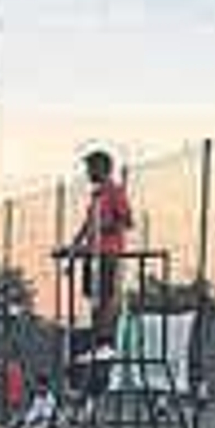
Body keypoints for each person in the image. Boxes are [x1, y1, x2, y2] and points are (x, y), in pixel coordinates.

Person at [73, 149, 134, 353]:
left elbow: (126, 221)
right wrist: (76, 244)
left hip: (109, 253)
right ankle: (96, 338)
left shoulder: (115, 191)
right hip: (93, 254)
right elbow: (87, 223)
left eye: (91, 168)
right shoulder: (96, 195)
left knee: (107, 296)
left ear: (102, 168)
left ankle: (105, 339)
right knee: (93, 296)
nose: (88, 172)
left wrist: (104, 228)